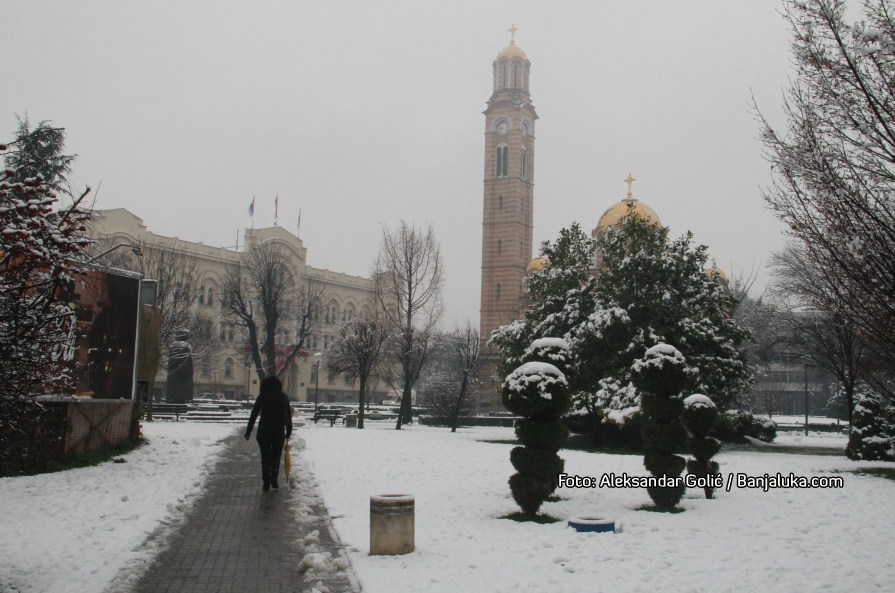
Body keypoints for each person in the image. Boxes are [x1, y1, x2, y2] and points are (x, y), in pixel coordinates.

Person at [245, 376, 293, 491]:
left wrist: (249, 430)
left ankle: (266, 481)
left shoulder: (262, 397)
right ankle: (274, 480)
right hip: (278, 431)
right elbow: (288, 415)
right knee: (276, 456)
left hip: (264, 431)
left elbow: (254, 414)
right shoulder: (283, 397)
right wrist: (289, 430)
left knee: (265, 457)